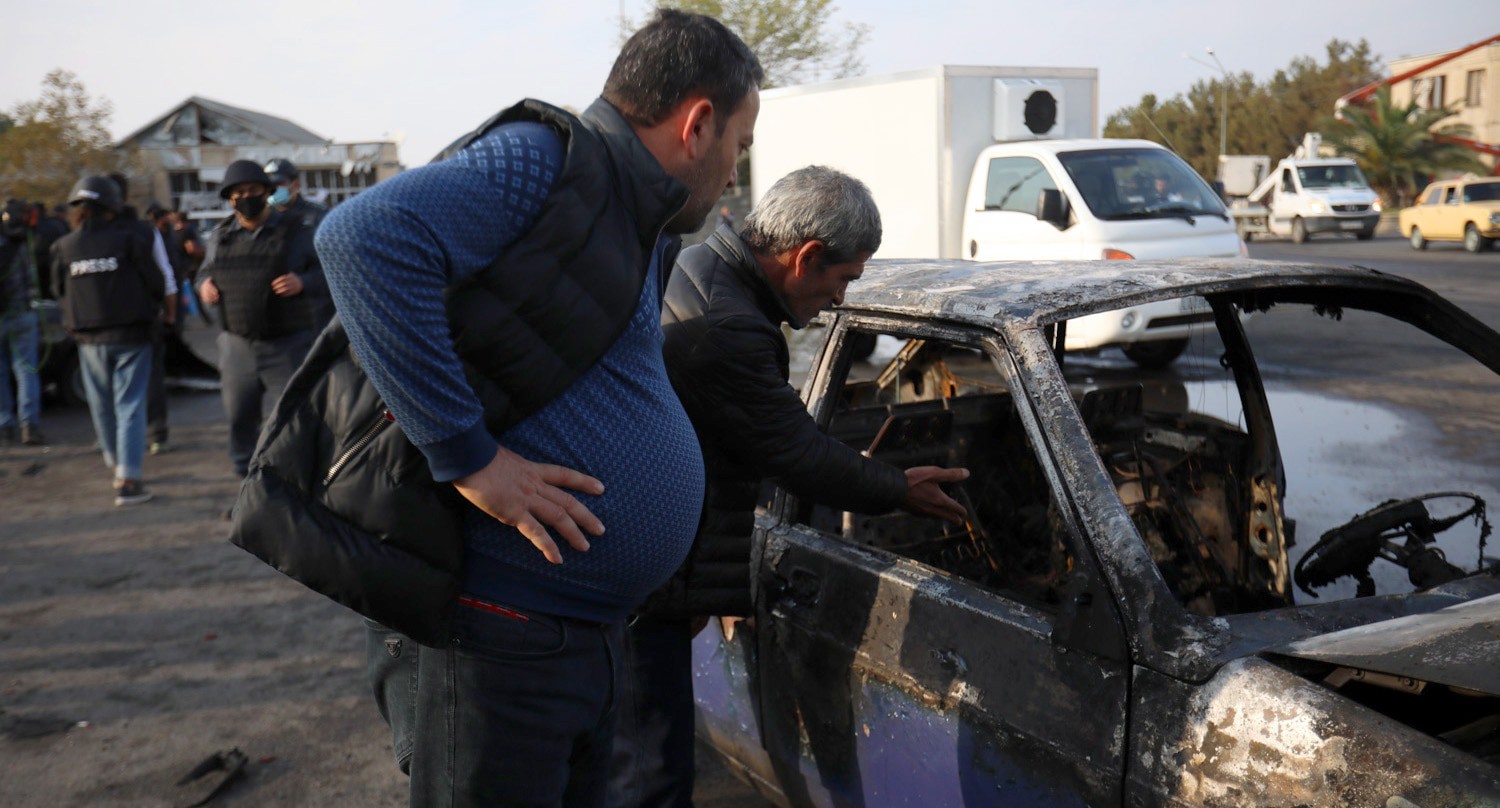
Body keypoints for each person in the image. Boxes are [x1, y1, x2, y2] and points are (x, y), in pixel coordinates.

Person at [313, 9, 761, 805]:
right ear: (697, 125)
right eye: (740, 146)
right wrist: (471, 459)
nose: (735, 174)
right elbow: (360, 237)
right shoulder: (548, 159)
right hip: (501, 636)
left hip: (577, 636)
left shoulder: (633, 215)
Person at [608, 166, 970, 807]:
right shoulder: (727, 325)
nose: (839, 299)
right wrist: (898, 488)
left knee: (645, 759)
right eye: (844, 279)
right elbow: (794, 453)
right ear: (805, 257)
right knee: (650, 777)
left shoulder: (703, 268)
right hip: (645, 580)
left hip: (648, 561)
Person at [198, 160, 325, 477]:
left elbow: (329, 272)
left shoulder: (298, 230)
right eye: (239, 192)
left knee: (296, 416)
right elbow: (204, 271)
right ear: (230, 199)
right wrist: (204, 285)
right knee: (240, 416)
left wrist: (303, 282)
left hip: (287, 343)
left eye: (253, 190)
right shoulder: (220, 236)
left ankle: (302, 479)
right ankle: (246, 478)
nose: (246, 197)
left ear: (266, 192)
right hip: (237, 344)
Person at [49, 176, 165, 504]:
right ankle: (128, 479)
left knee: (101, 405)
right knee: (130, 405)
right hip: (132, 336)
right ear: (112, 207)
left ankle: (116, 464)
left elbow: (57, 289)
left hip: (88, 339)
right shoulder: (130, 240)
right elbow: (155, 283)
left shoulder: (64, 246)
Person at [1, 199, 44, 445]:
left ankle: (5, 426)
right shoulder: (21, 244)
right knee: (26, 371)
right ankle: (30, 425)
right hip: (22, 314)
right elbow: (31, 279)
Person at [263, 158, 327, 229]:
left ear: (296, 183)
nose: (275, 188)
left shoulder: (318, 214)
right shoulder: (261, 217)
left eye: (280, 183)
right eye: (270, 184)